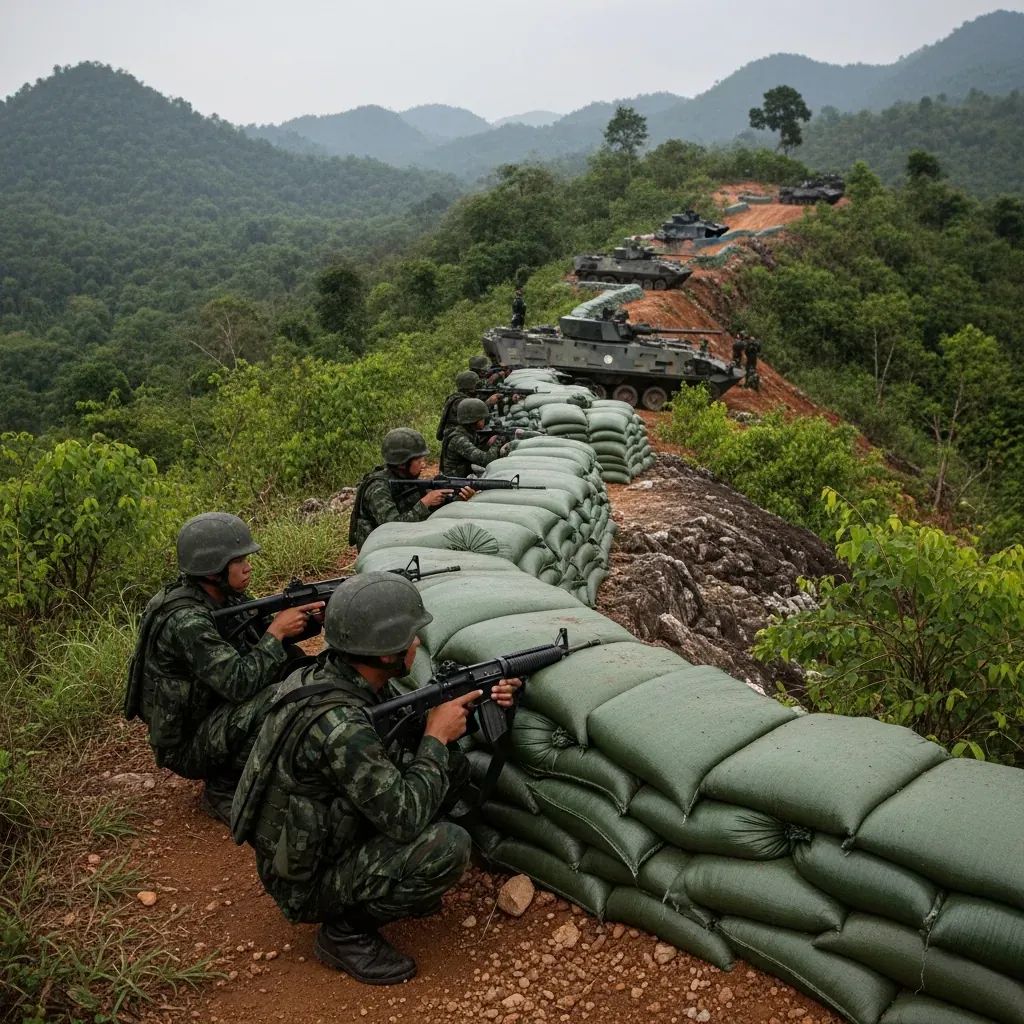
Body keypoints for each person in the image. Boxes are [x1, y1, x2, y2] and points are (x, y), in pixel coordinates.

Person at [231, 572, 521, 983]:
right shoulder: (341, 725)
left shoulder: (330, 678)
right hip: (306, 884)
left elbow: (392, 742)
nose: (417, 643)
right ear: (385, 653)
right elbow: (404, 817)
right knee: (448, 846)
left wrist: (471, 712)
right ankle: (345, 932)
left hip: (304, 851)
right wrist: (436, 737)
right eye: (409, 637)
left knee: (444, 769)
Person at [125, 513, 325, 823]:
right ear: (213, 569)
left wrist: (309, 621)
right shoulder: (186, 620)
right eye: (239, 560)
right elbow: (239, 682)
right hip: (188, 745)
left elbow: (256, 635)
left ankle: (270, 764)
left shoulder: (221, 596)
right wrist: (277, 632)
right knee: (283, 699)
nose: (248, 566)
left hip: (210, 717)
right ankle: (223, 787)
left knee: (293, 663)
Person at [348, 429, 473, 550]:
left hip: (407, 542)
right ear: (402, 463)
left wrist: (458, 499)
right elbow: (392, 528)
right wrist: (425, 503)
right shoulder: (378, 488)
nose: (424, 465)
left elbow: (426, 516)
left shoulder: (406, 479)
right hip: (381, 550)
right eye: (419, 460)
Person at [439, 398, 506, 477]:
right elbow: (486, 460)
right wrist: (497, 442)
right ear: (474, 420)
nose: (484, 421)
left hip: (463, 478)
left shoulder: (469, 432)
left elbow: (477, 453)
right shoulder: (459, 439)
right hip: (454, 483)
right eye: (482, 418)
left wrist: (488, 445)